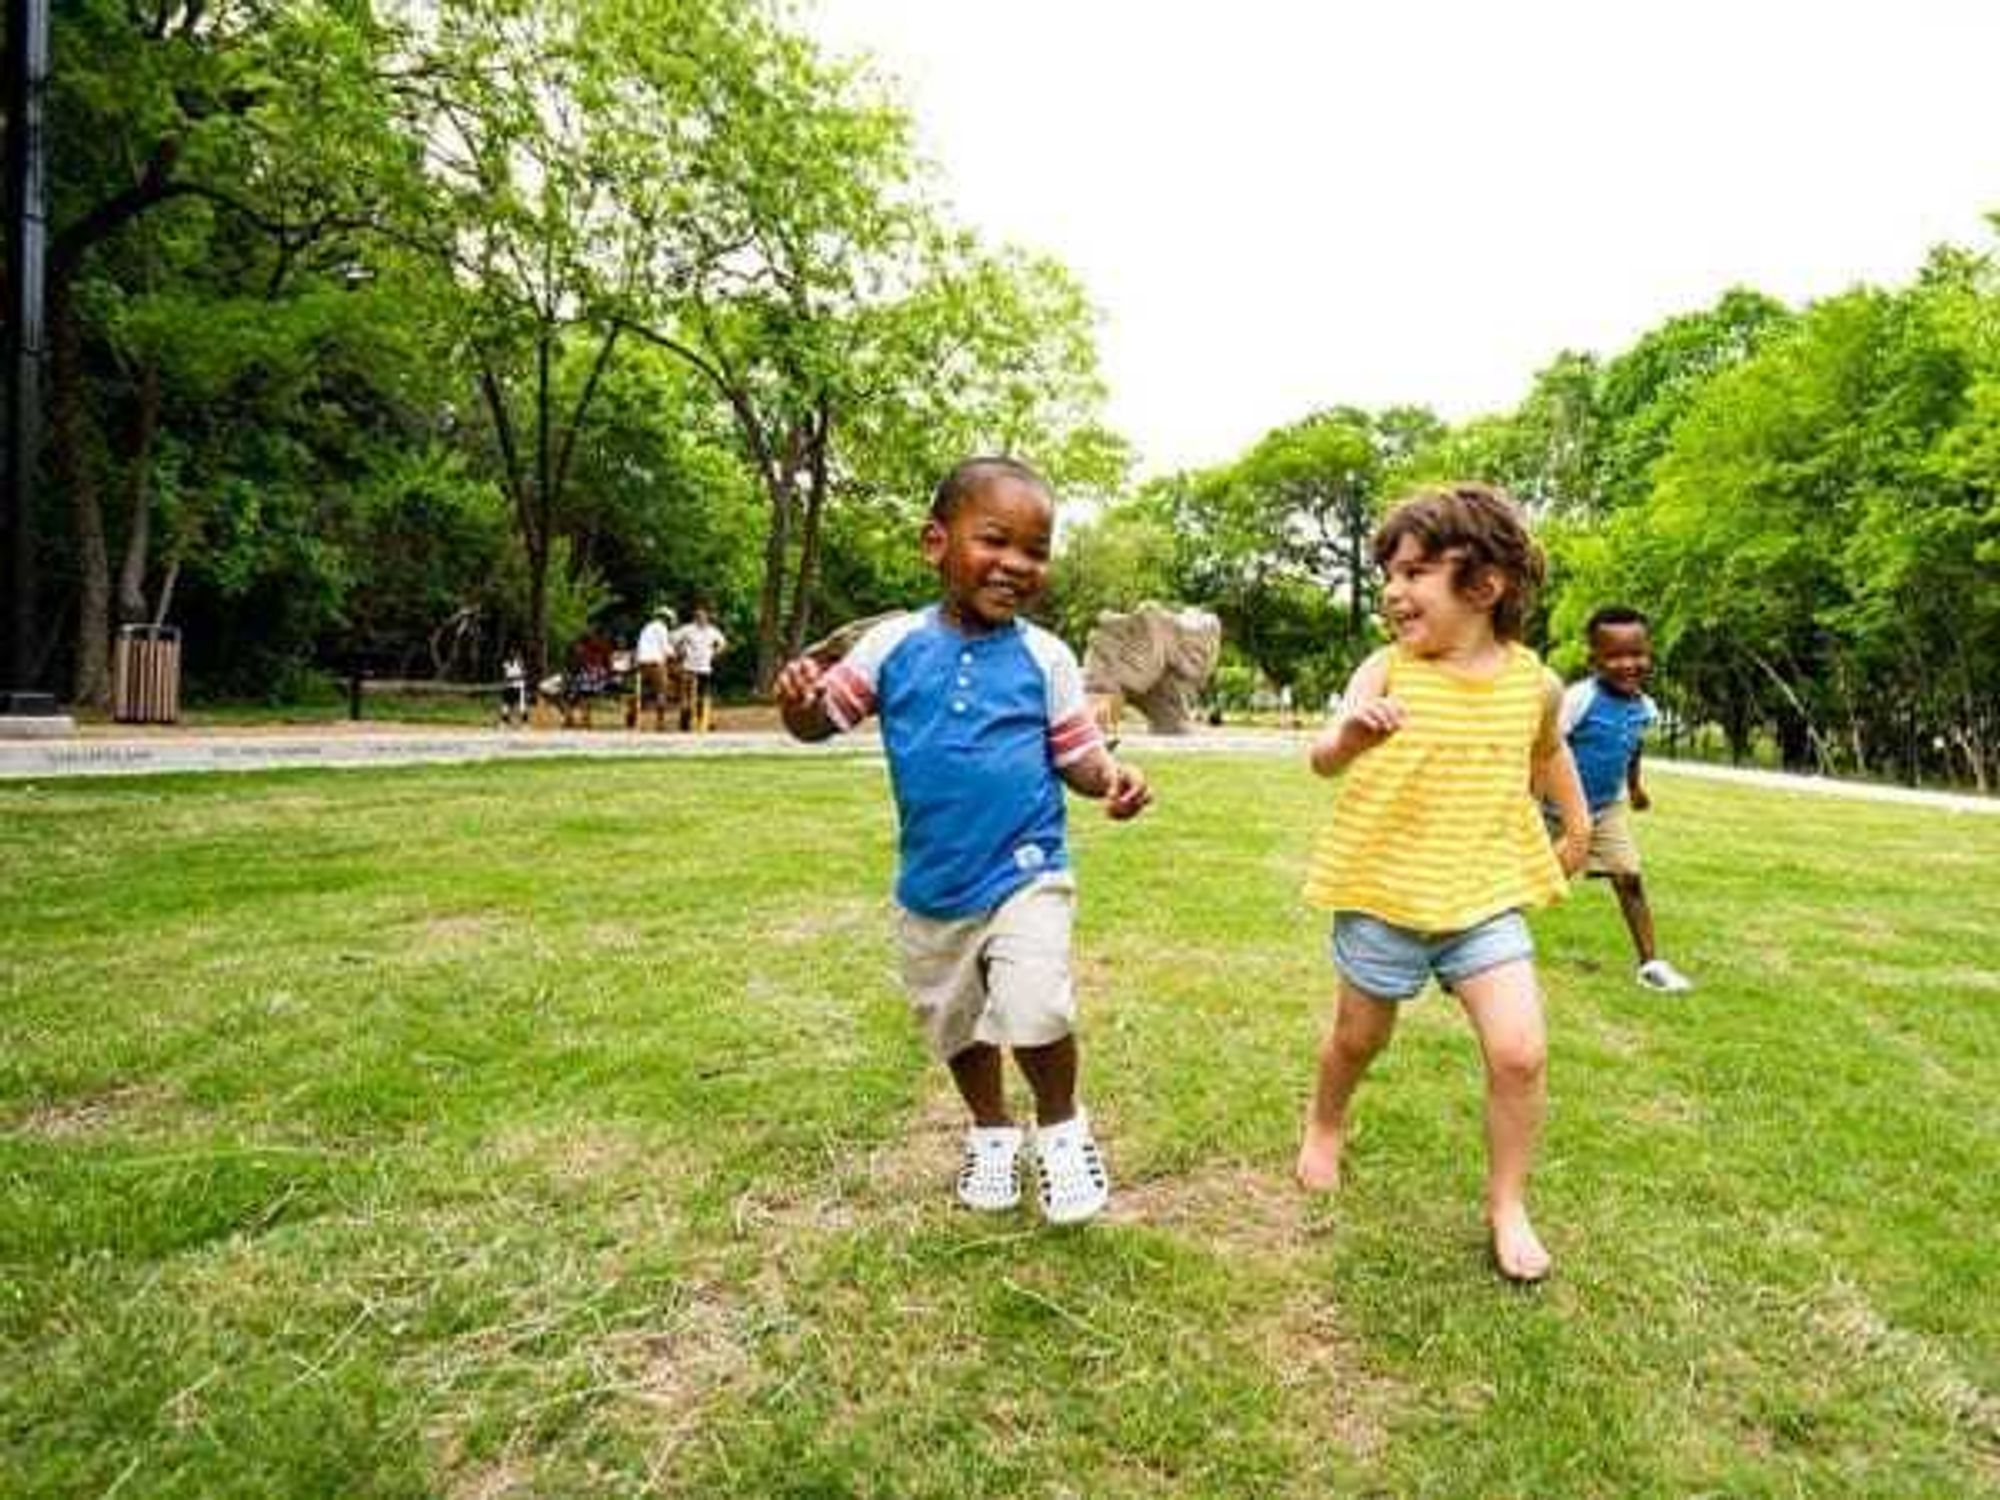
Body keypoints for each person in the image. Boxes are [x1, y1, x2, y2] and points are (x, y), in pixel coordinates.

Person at [773, 456, 1153, 1225]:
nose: (1016, 565)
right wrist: (796, 705)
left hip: (1026, 871)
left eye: (1036, 551)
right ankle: (989, 1131)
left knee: (1035, 1004)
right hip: (933, 886)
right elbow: (821, 723)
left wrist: (1112, 777)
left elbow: (1075, 753)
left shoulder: (1044, 657)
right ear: (935, 543)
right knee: (956, 1023)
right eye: (995, 541)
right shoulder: (892, 645)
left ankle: (1060, 1128)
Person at [1295, 482, 1590, 1284]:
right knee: (1360, 1038)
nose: (1394, 589)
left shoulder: (1536, 683)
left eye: (1418, 571)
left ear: (1486, 587)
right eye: (1389, 571)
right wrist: (1351, 735)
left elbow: (1545, 752)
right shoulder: (1385, 670)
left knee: (1521, 1052)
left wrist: (1578, 824)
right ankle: (1326, 1122)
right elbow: (1323, 757)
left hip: (1481, 897)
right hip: (1385, 890)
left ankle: (1507, 1204)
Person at [1556, 606, 1694, 994]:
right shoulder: (1578, 700)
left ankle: (1650, 963)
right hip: (1556, 809)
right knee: (1532, 880)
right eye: (1614, 656)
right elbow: (1545, 747)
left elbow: (1631, 748)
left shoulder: (1643, 707)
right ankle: (1474, 950)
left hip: (1604, 808)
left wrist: (1634, 787)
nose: (1627, 664)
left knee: (1629, 877)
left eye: (1636, 654)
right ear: (1593, 659)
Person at [674, 605, 727, 732]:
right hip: (689, 667)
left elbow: (723, 643)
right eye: (698, 616)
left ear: (707, 618)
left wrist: (715, 653)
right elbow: (674, 639)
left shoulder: (713, 631)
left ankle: (703, 721)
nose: (701, 619)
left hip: (705, 668)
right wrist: (680, 651)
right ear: (695, 618)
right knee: (686, 695)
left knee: (702, 696)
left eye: (703, 616)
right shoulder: (687, 629)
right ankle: (685, 722)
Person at [632, 605, 680, 732]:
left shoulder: (647, 627)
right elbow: (666, 649)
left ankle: (635, 715)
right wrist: (677, 654)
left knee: (644, 692)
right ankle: (660, 722)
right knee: (662, 691)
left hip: (641, 663)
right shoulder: (661, 628)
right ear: (667, 619)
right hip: (655, 663)